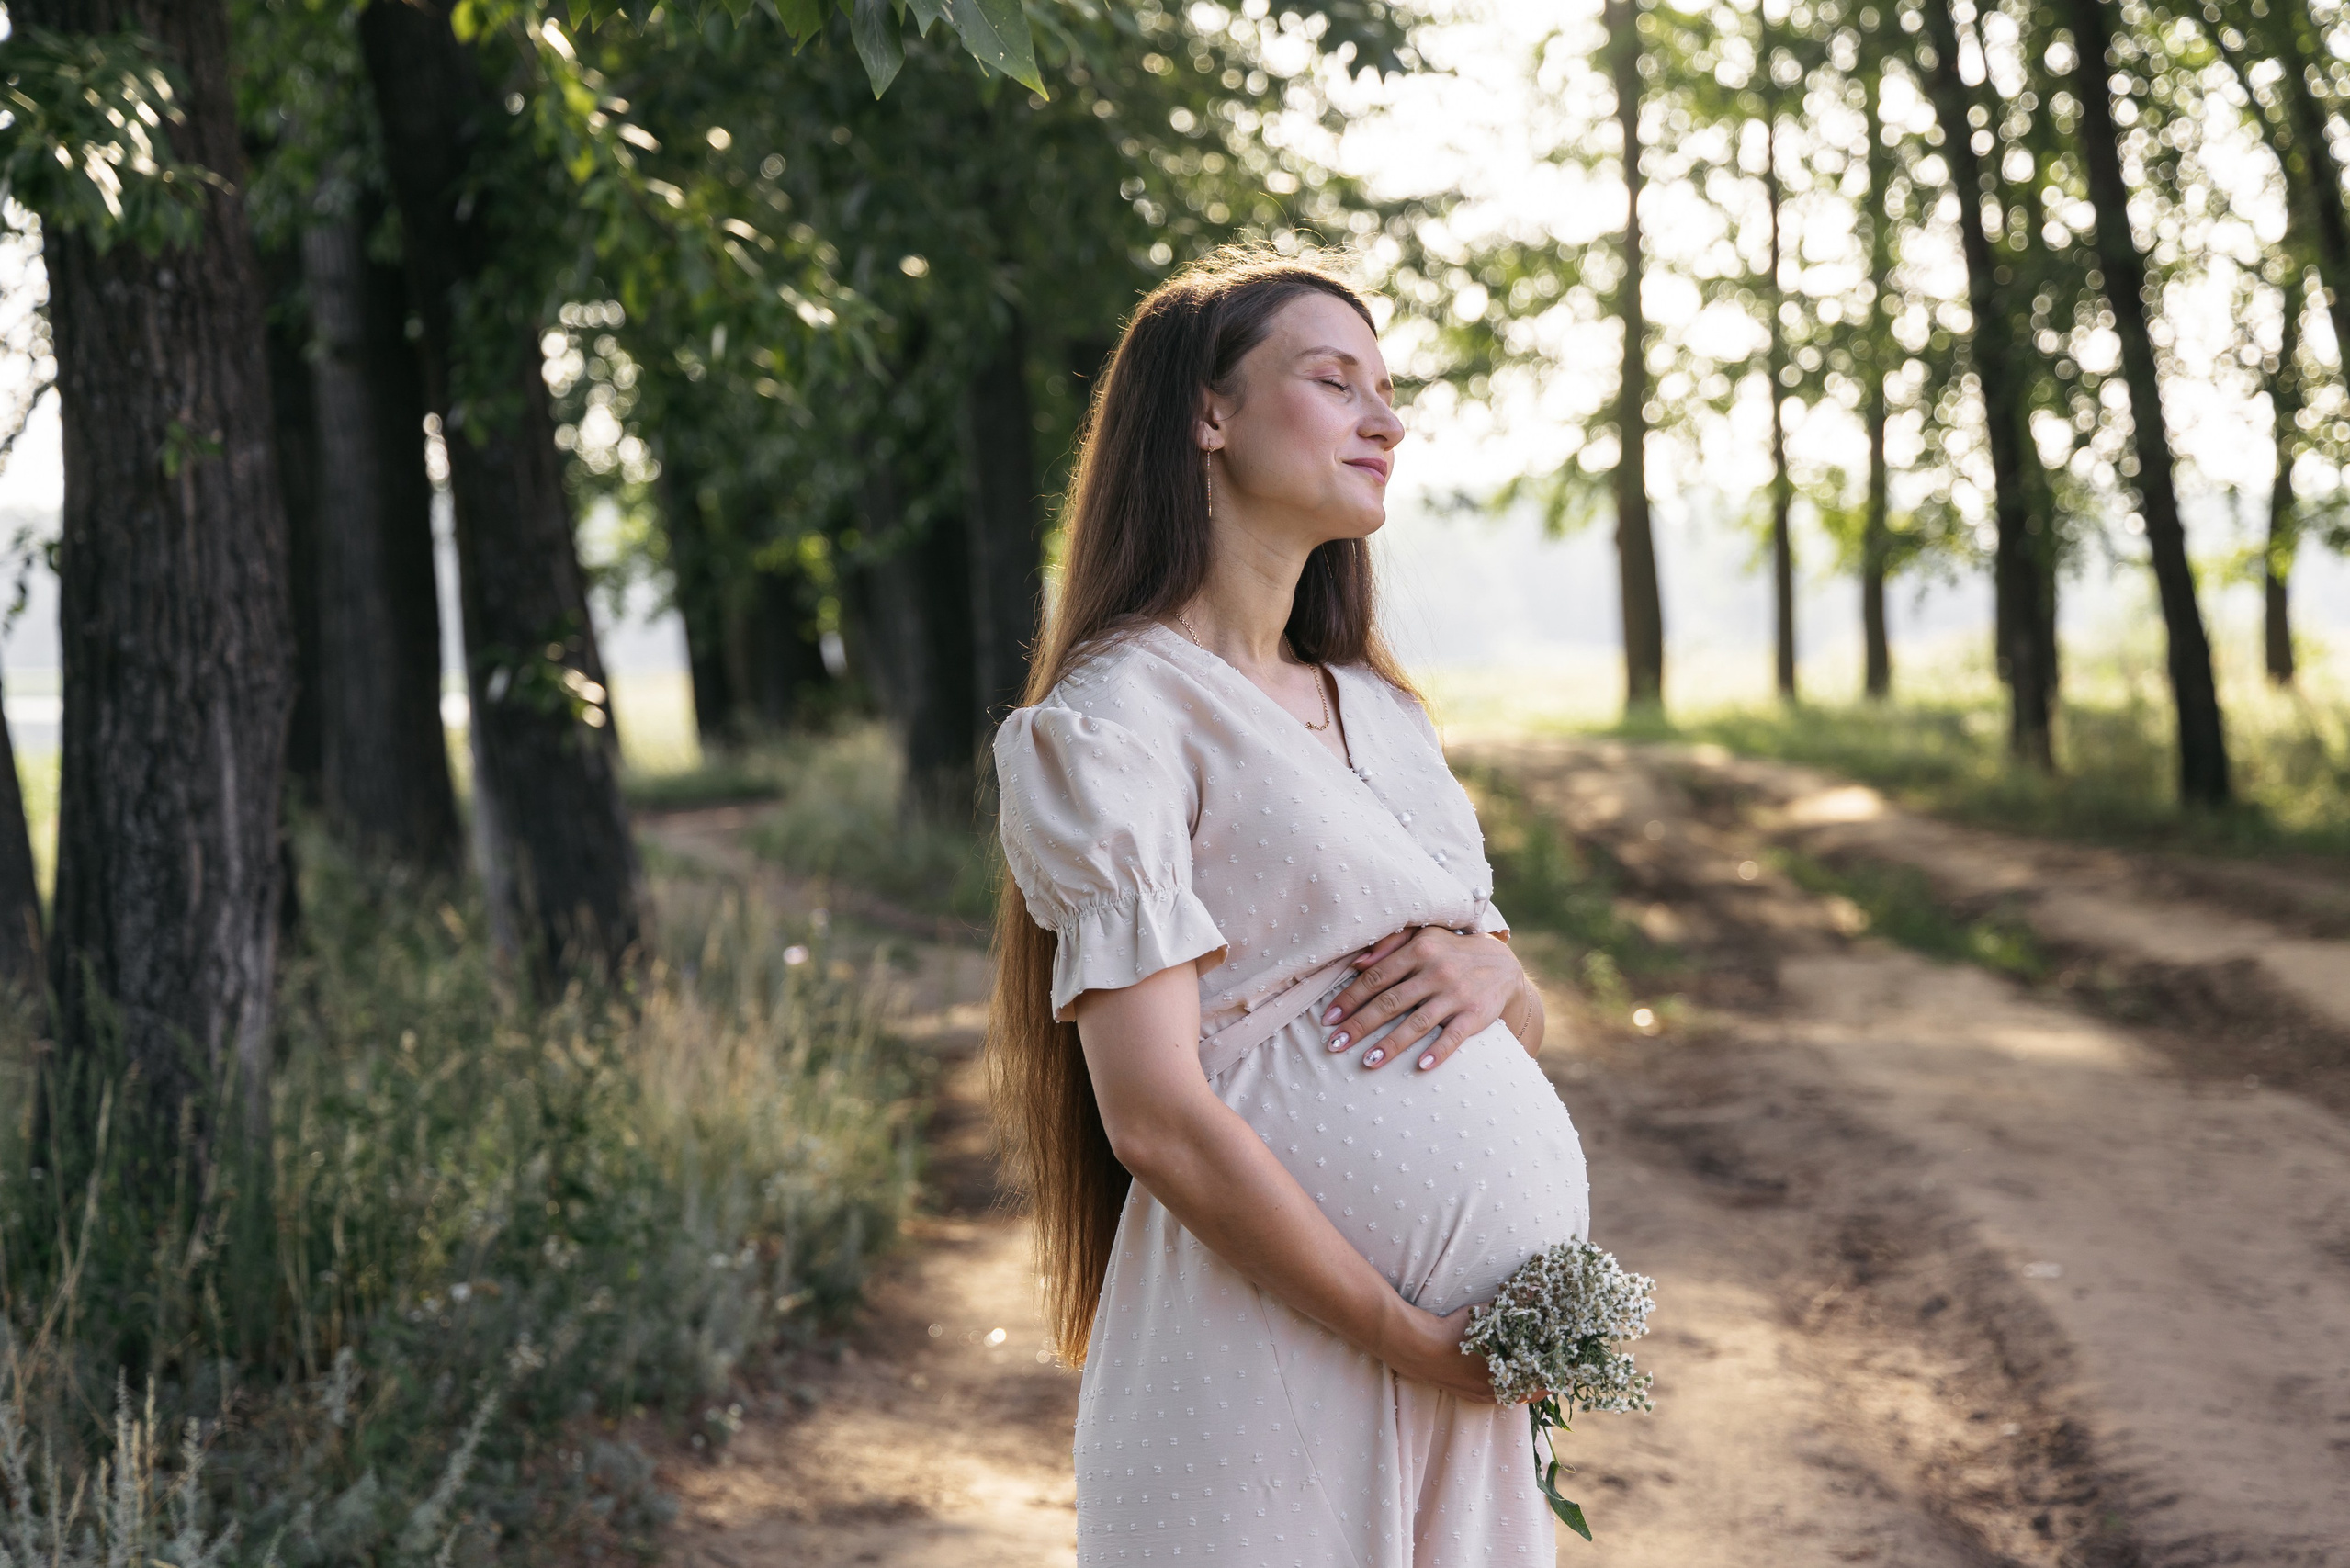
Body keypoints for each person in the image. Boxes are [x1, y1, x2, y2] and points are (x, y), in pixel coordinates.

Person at [988, 246, 1591, 1566]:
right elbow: (1153, 1118)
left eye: (1388, 389)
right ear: (1207, 416)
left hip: (1463, 1389)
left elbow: (1494, 1022)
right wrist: (1402, 1334)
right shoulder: (1113, 721)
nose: (1385, 419)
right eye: (1335, 382)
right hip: (1272, 1355)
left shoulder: (1378, 711)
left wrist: (1505, 981)